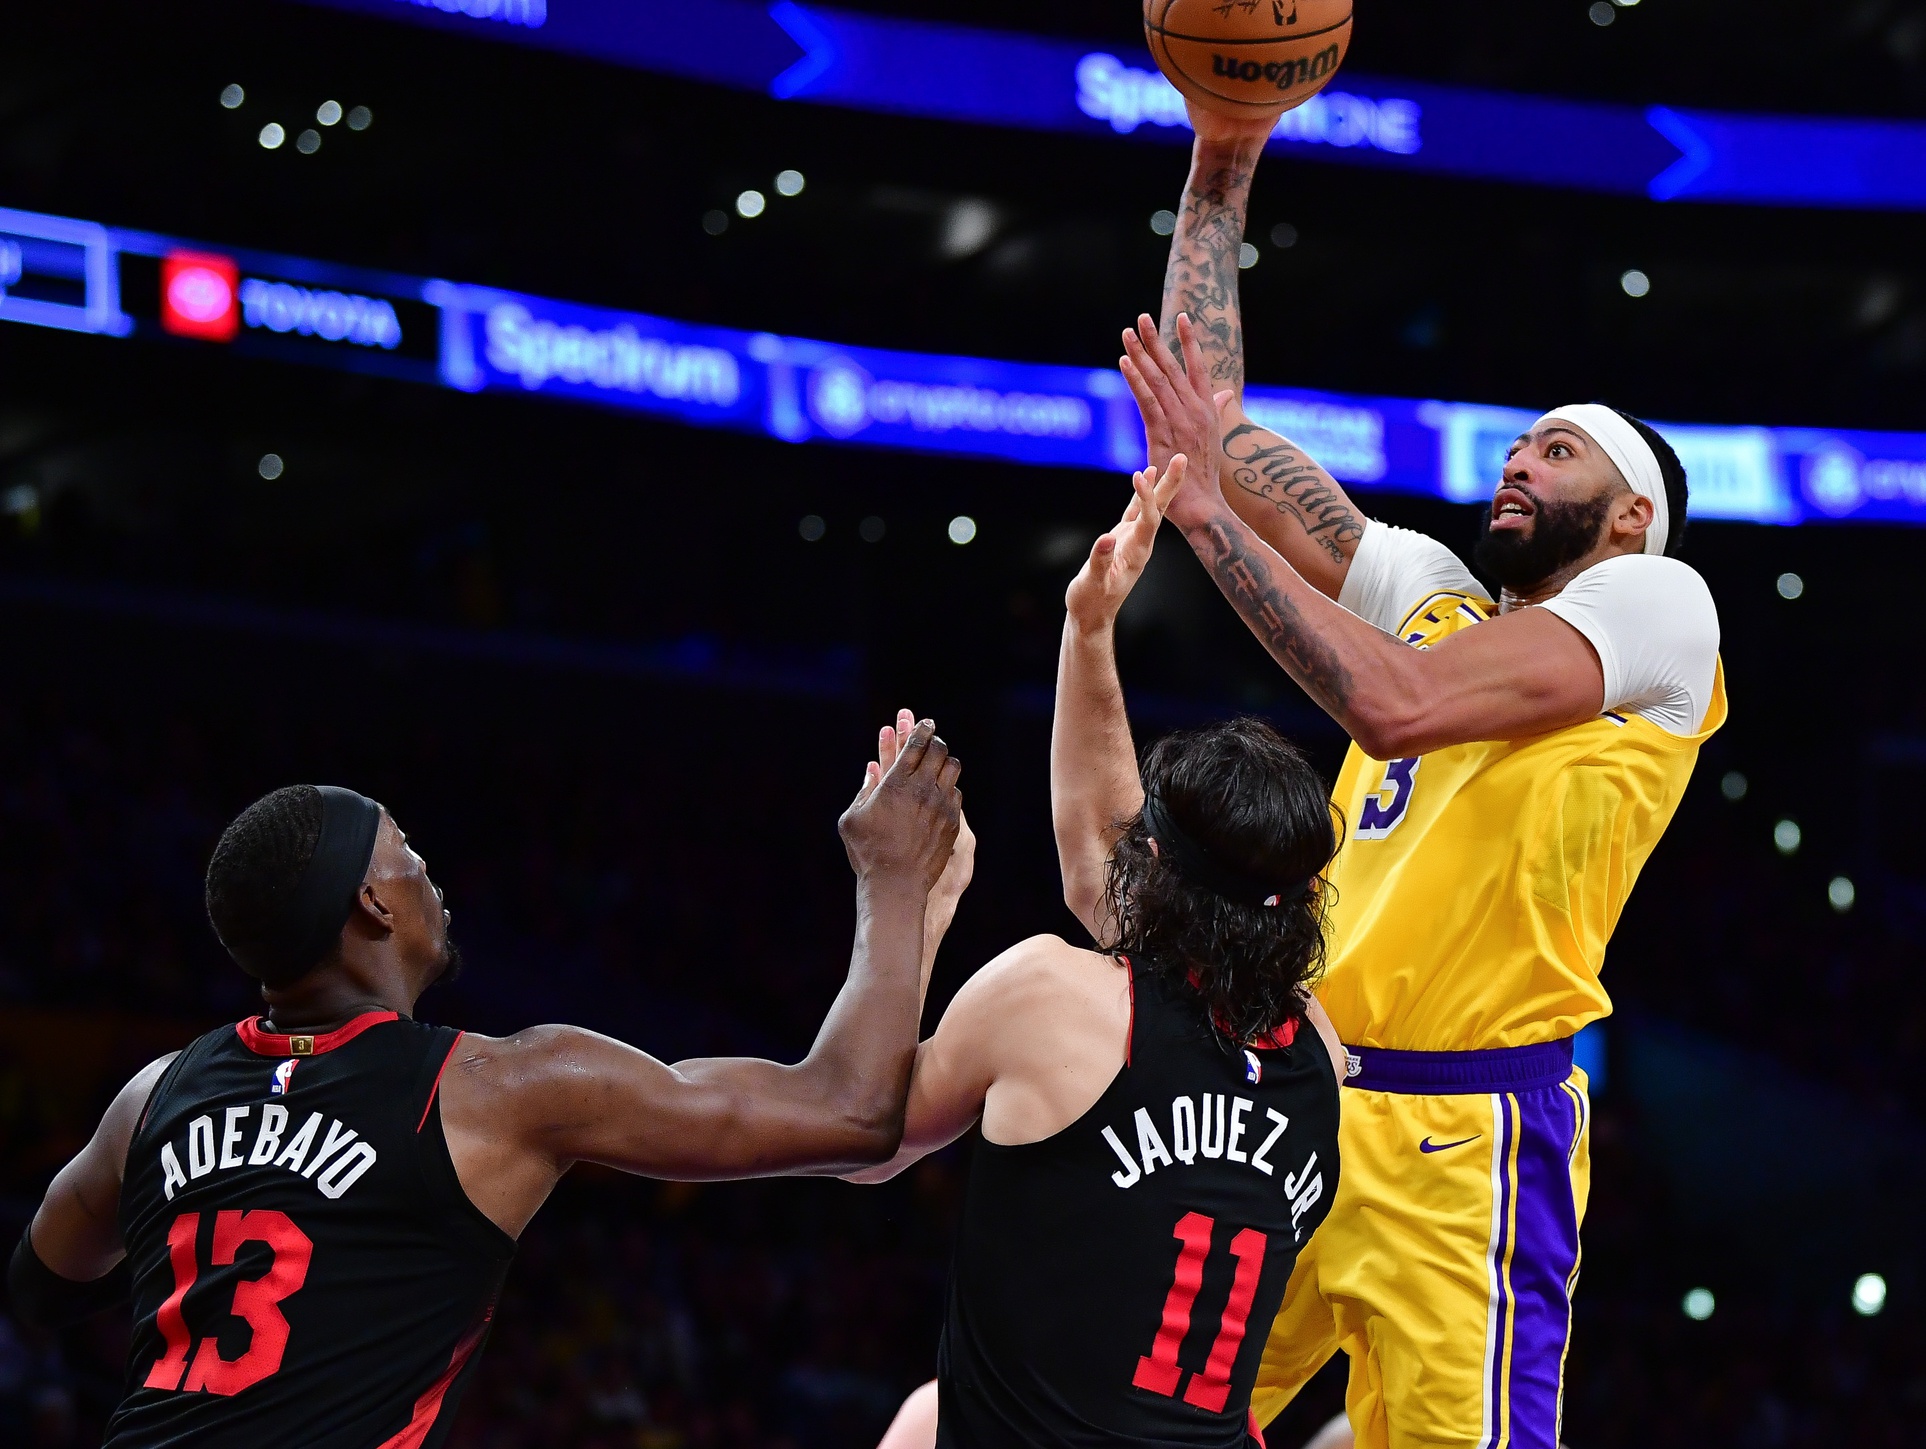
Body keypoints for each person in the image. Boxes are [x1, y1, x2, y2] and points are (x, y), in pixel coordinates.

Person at [1112, 105, 1726, 1449]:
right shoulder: (1435, 597)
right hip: (1296, 1099)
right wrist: (1223, 155)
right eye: (1516, 442)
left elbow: (1391, 712)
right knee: (1128, 1423)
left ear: (1630, 514)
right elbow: (1211, 438)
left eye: (1557, 449)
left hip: (1468, 1143)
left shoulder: (1659, 608)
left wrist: (1211, 518)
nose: (1518, 458)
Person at [9, 715, 968, 1449]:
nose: (431, 876)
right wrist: (893, 882)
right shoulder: (496, 1086)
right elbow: (851, 1111)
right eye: (408, 856)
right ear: (374, 902)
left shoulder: (154, 1096)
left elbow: (42, 1289)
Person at [865, 459, 1345, 1449]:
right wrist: (1089, 633)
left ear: (1155, 860)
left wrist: (913, 910)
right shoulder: (1320, 1057)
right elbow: (1110, 876)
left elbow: (867, 1139)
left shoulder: (1048, 989)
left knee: (925, 1422)